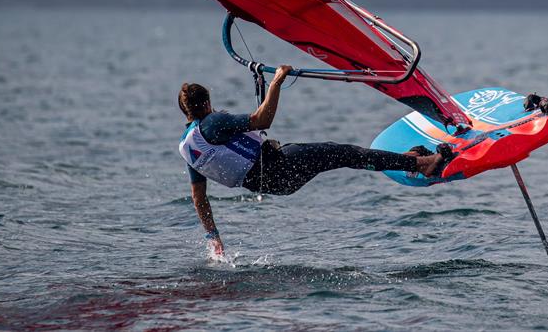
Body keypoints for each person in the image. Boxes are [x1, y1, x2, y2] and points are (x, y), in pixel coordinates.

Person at [177, 65, 453, 256]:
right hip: (282, 166)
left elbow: (199, 197)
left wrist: (212, 236)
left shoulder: (189, 147)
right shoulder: (213, 121)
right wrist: (277, 82)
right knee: (346, 154)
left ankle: (404, 160)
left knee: (344, 157)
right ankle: (422, 165)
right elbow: (263, 120)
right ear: (207, 103)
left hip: (274, 185)